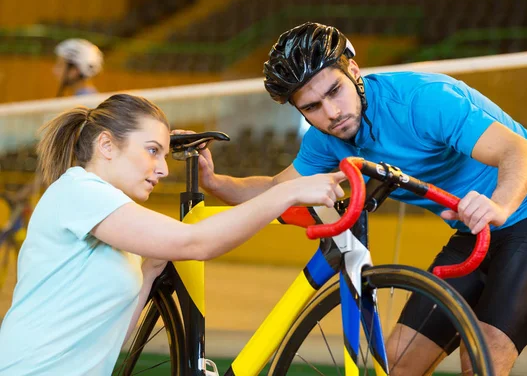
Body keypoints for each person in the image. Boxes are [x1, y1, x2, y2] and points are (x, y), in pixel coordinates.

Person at [195, 22, 527, 376]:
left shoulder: (422, 100)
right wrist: (216, 182)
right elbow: (278, 192)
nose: (331, 113)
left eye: (335, 91)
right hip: (474, 227)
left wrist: (500, 203)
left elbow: (521, 153)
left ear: (354, 71)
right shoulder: (326, 137)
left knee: (481, 363)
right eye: (312, 107)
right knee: (397, 363)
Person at [0, 93, 345, 375]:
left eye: (164, 155)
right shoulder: (79, 190)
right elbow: (196, 242)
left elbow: (112, 338)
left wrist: (148, 271)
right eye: (152, 151)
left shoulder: (116, 223)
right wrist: (288, 192)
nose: (164, 169)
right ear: (106, 145)